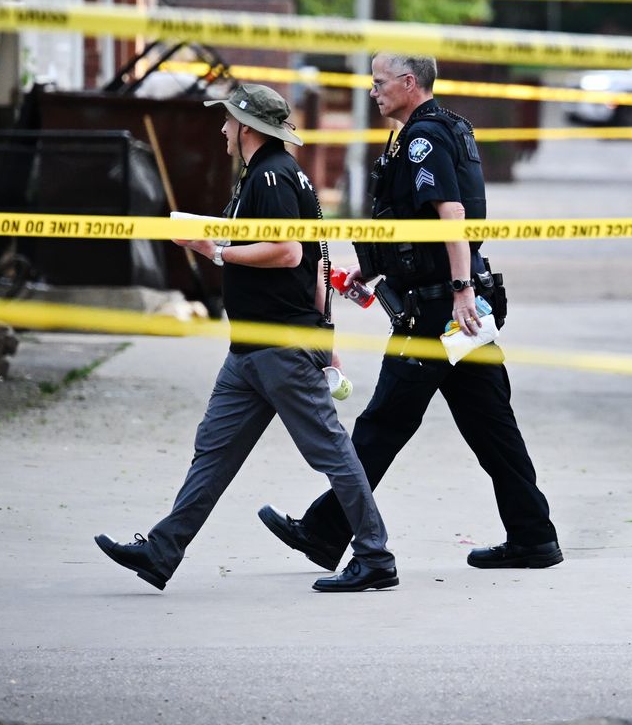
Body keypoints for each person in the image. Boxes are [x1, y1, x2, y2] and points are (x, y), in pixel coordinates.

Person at [257, 52, 562, 572]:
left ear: (407, 82)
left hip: (440, 314)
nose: (372, 91)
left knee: (381, 426)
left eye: (379, 83)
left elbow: (451, 215)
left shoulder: (425, 139)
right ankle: (533, 537)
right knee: (492, 428)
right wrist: (374, 271)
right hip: (448, 312)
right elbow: (412, 228)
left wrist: (461, 289)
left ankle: (325, 531)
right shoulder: (439, 130)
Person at [95, 84, 397, 593]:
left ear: (248, 127)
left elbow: (288, 254)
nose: (222, 129)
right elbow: (319, 260)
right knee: (212, 451)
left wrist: (215, 252)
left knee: (331, 452)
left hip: (280, 347)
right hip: (254, 349)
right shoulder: (271, 175)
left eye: (228, 120)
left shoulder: (273, 177)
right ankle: (162, 551)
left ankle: (375, 556)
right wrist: (328, 335)